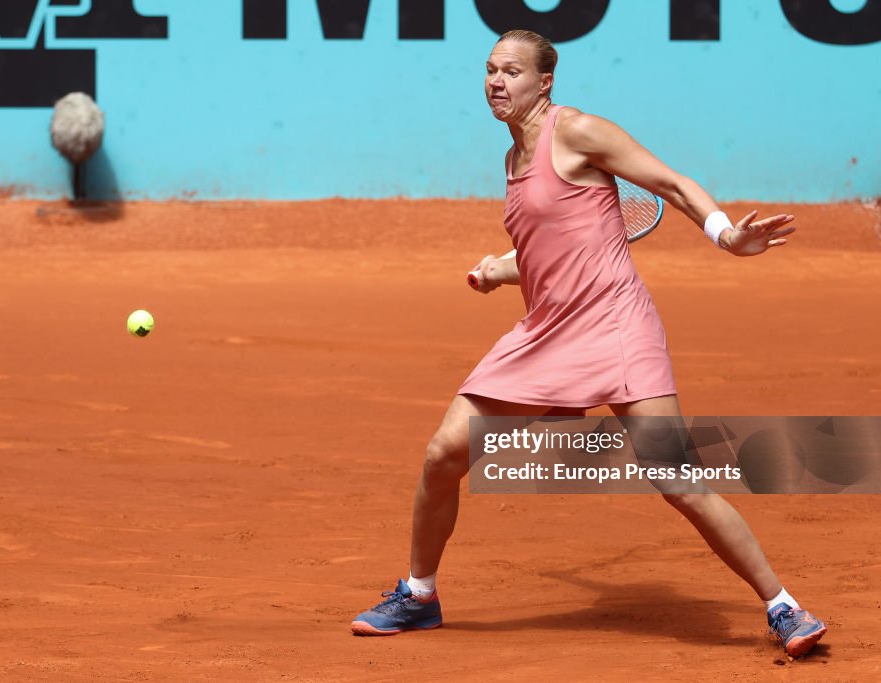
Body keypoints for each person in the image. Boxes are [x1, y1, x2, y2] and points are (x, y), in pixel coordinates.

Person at [350, 29, 827, 658]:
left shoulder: (576, 132)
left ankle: (783, 607)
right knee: (443, 453)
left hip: (615, 328)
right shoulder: (512, 161)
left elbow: (673, 183)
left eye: (513, 71)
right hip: (546, 334)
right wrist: (499, 270)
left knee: (677, 478)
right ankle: (419, 595)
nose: (498, 81)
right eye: (491, 70)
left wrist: (726, 237)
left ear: (544, 82)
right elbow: (548, 251)